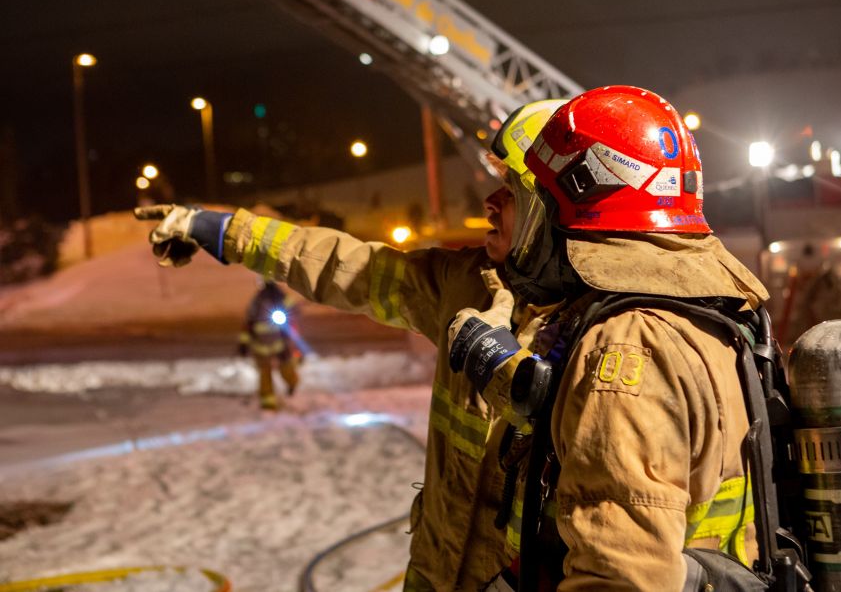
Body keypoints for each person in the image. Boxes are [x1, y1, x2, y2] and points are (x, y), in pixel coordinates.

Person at [135, 100, 567, 592]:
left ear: (554, 209)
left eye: (511, 191)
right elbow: (343, 265)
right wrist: (221, 231)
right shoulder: (466, 286)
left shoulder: (610, 337)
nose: (489, 202)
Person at [445, 85, 771, 590]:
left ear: (580, 199)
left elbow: (621, 577)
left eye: (533, 201)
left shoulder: (628, 346)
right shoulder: (715, 313)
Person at [238, 279, 303, 410]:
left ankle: (292, 385)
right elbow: (248, 323)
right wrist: (243, 344)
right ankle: (268, 404)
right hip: (261, 347)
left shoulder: (280, 297)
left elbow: (294, 311)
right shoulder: (257, 301)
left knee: (286, 370)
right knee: (265, 374)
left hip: (279, 346)